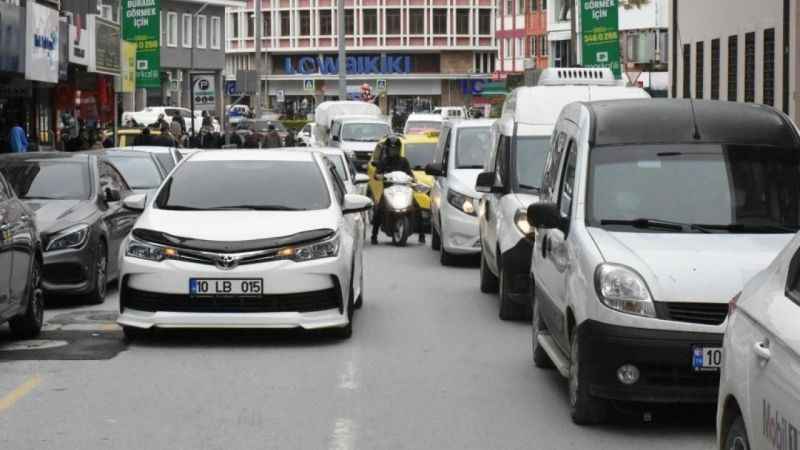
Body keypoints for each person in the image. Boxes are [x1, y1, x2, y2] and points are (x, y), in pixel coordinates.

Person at [370, 135, 425, 245]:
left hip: (403, 190)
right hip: (389, 191)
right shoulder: (384, 161)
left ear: (399, 150)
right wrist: (380, 176)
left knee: (417, 208)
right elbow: (376, 174)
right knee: (379, 209)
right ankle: (374, 235)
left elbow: (410, 174)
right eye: (391, 149)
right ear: (387, 149)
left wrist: (413, 179)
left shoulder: (404, 161)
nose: (393, 151)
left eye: (395, 149)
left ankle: (422, 234)